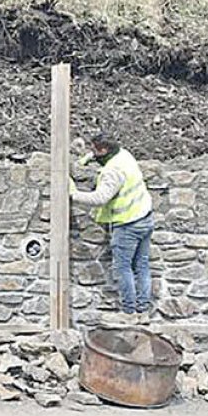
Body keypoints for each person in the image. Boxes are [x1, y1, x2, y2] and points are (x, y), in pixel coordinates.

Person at [71, 133, 154, 325]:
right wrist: (84, 160)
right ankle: (143, 312)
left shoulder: (112, 171)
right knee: (142, 265)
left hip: (128, 224)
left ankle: (128, 313)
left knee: (123, 268)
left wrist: (73, 195)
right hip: (145, 216)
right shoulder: (124, 155)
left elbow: (100, 198)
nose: (91, 152)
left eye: (94, 150)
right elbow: (98, 156)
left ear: (104, 150)